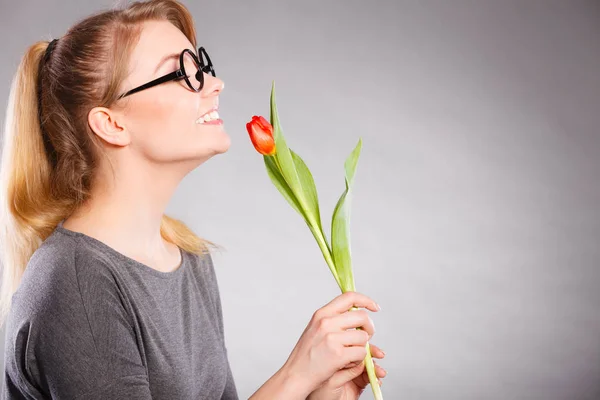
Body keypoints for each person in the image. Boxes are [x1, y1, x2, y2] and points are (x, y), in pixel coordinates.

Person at [0, 0, 386, 398]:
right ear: (111, 124)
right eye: (180, 72)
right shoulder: (75, 284)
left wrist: (318, 393)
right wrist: (295, 376)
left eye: (201, 66)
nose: (214, 84)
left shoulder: (187, 257)